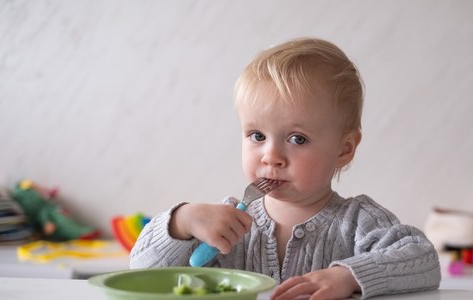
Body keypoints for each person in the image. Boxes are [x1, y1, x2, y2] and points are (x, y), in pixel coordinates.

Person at [130, 37, 441, 299]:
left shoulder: (359, 221)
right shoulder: (225, 225)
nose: (271, 156)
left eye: (297, 138)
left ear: (344, 149)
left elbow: (423, 260)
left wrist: (347, 276)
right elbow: (140, 272)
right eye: (257, 136)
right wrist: (182, 222)